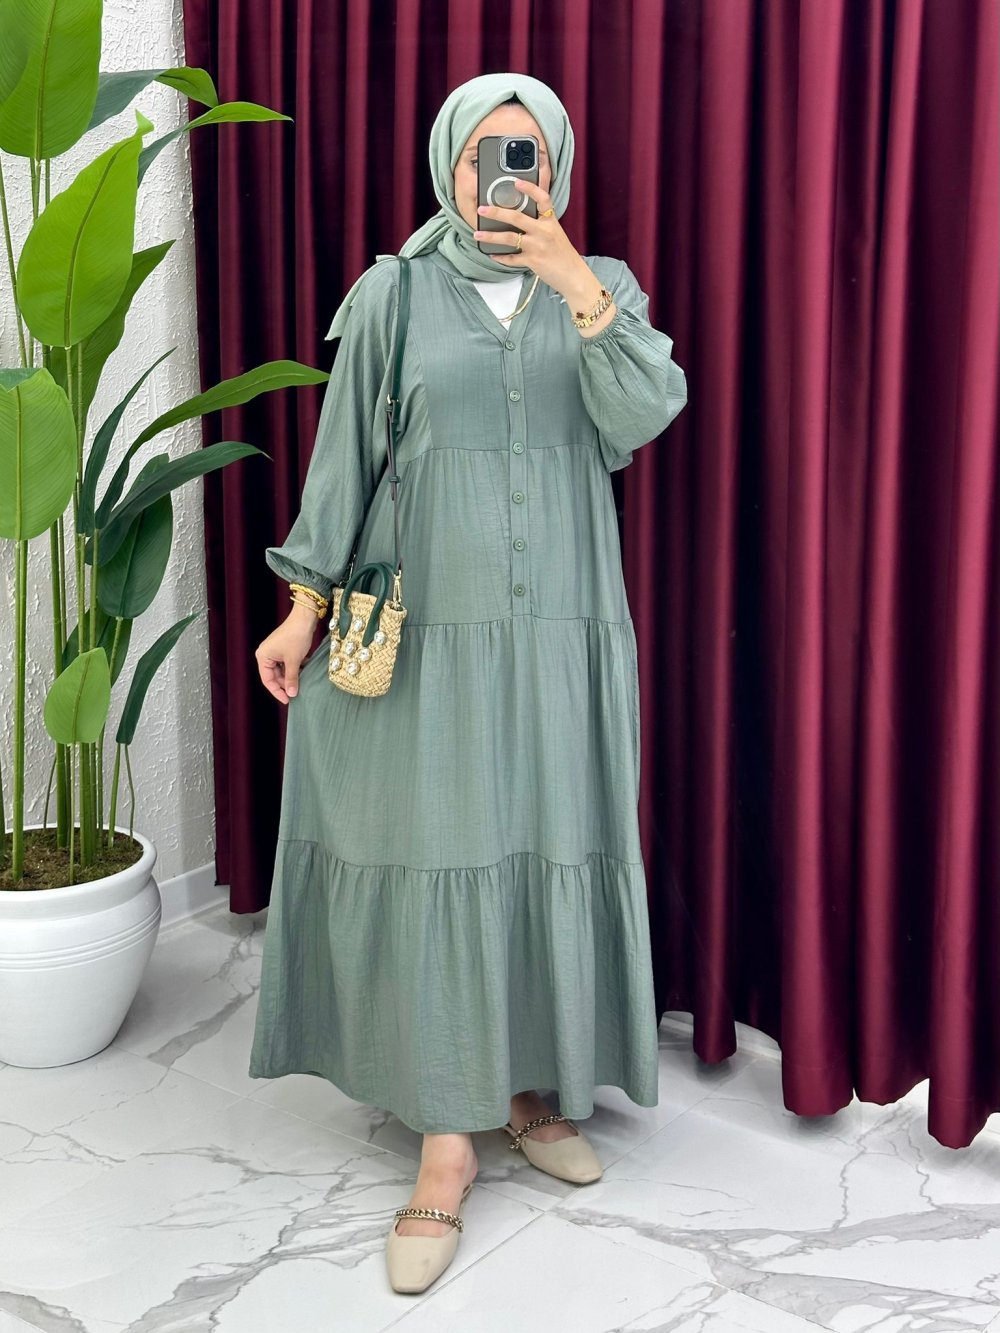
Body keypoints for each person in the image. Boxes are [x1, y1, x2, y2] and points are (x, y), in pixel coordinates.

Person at [251, 71, 687, 1294]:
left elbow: (643, 414)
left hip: (561, 626)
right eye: (478, 152)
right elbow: (345, 457)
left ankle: (529, 1087)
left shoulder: (603, 287)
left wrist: (569, 277)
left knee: (545, 839)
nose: (498, 174)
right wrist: (301, 608)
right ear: (446, 162)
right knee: (447, 847)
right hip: (430, 627)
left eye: (522, 152)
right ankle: (448, 1136)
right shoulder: (393, 292)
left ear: (552, 165)